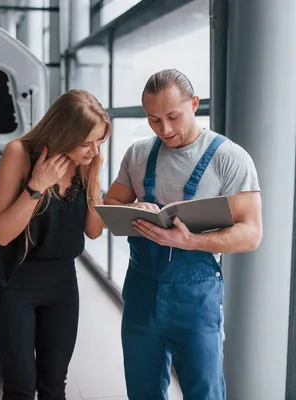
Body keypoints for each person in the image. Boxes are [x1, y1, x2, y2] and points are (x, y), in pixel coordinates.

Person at [104, 69, 263, 400]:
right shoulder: (137, 154)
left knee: (203, 390)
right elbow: (111, 203)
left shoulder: (229, 158)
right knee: (142, 388)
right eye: (153, 120)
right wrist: (136, 206)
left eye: (172, 116)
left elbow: (251, 233)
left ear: (194, 104)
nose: (164, 129)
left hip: (196, 294)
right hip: (141, 288)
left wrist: (192, 241)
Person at [0, 89, 109, 400]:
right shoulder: (19, 153)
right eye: (86, 143)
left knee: (55, 387)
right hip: (15, 286)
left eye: (100, 142)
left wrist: (93, 179)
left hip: (62, 285)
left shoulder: (85, 164)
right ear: (64, 133)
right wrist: (35, 187)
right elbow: (1, 234)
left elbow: (94, 231)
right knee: (21, 390)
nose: (94, 151)